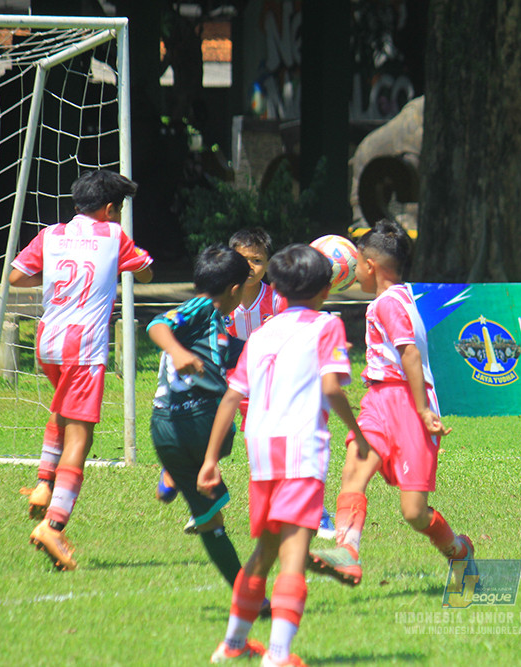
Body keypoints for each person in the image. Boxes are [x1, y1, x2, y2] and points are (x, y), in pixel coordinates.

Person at [199, 244, 370, 666]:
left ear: (278, 287)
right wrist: (358, 433)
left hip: (261, 450)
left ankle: (233, 644)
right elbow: (331, 389)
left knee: (266, 550)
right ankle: (278, 654)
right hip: (300, 451)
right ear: (327, 288)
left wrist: (210, 460)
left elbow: (230, 398)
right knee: (293, 556)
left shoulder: (262, 333)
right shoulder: (326, 327)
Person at [308, 219, 473, 588]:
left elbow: (410, 355)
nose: (350, 275)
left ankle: (459, 550)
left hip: (410, 404)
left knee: (414, 513)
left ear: (370, 267)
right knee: (354, 471)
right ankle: (346, 552)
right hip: (378, 400)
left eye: (355, 266)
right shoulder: (392, 299)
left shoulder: (389, 304)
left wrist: (423, 410)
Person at [8, 169, 154, 571]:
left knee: (60, 409)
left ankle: (42, 484)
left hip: (47, 342)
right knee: (81, 437)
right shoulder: (113, 236)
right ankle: (54, 525)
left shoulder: (52, 234)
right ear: (110, 209)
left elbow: (17, 275)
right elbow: (145, 271)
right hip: (84, 349)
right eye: (119, 209)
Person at [160, 227, 335, 539]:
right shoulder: (221, 300)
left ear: (268, 264)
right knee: (207, 437)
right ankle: (199, 506)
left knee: (290, 448)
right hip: (228, 386)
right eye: (245, 260)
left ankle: (317, 515)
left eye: (258, 260)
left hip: (268, 388)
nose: (252, 266)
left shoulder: (279, 300)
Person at [147, 244, 251, 591]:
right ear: (235, 289)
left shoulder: (212, 324)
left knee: (211, 519)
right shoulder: (203, 307)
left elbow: (228, 351)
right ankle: (176, 476)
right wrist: (176, 352)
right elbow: (157, 325)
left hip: (165, 427)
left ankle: (247, 596)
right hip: (197, 423)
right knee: (228, 423)